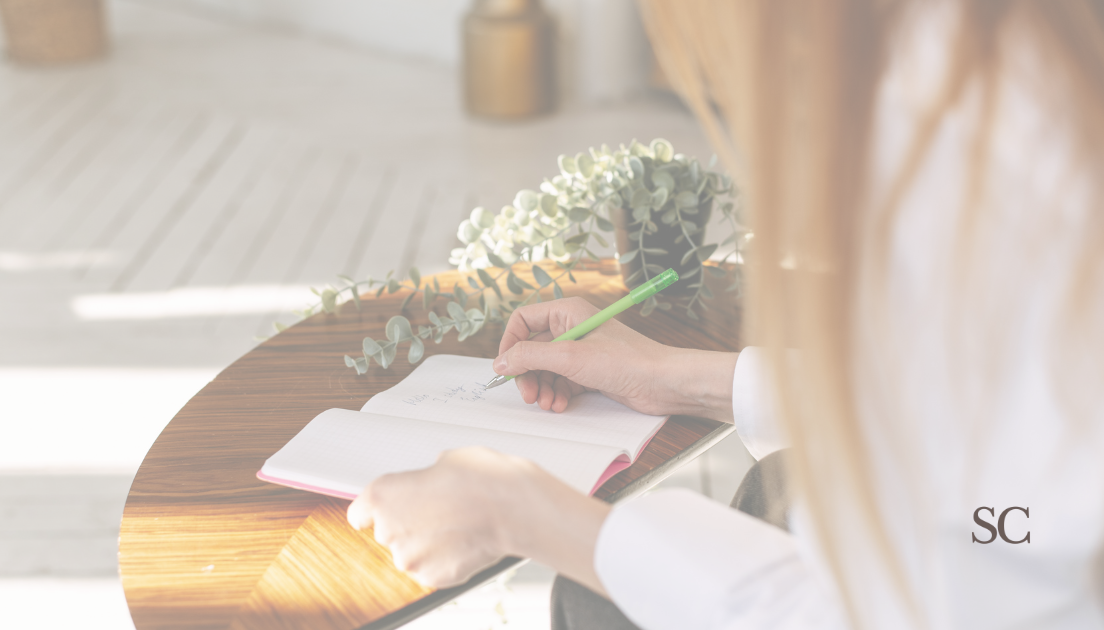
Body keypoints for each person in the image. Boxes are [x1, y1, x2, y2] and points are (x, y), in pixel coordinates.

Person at [347, 0, 1104, 627]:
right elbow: (956, 403)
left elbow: (925, 598)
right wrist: (674, 377)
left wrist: (522, 515)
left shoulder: (984, 164)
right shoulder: (985, 67)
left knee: (598, 598)